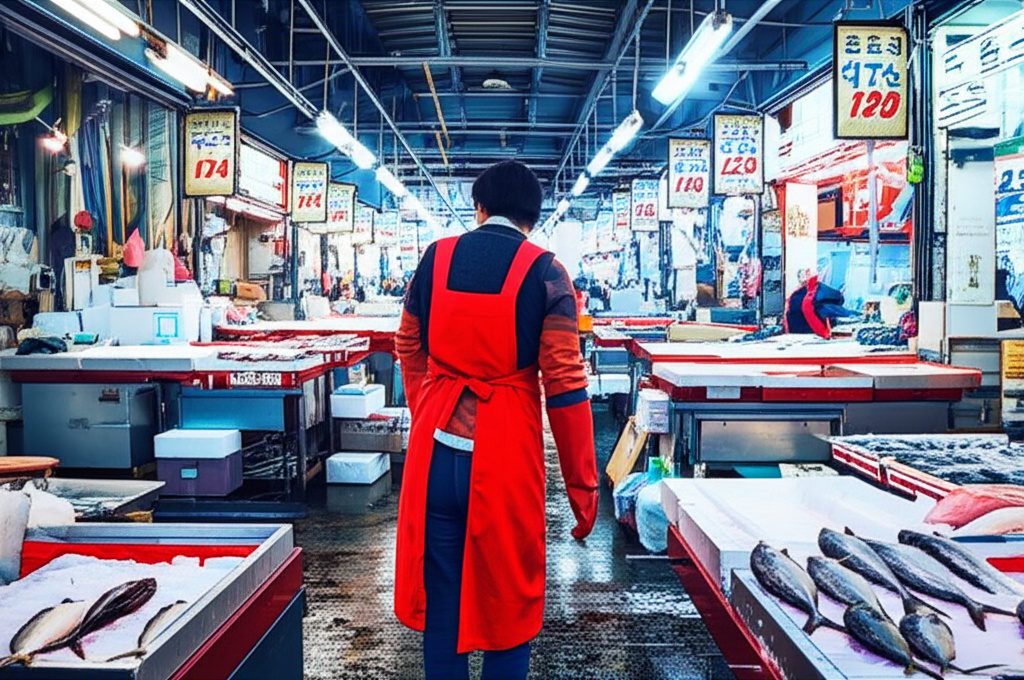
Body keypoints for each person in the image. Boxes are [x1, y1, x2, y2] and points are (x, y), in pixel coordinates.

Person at [394, 161, 598, 680]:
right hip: (505, 458)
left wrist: (429, 405)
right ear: (533, 217)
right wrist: (583, 487)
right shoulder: (548, 273)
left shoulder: (435, 259)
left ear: (478, 209)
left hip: (434, 456)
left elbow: (407, 345)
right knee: (509, 605)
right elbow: (565, 384)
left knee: (443, 605)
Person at [783, 274, 855, 339]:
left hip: (795, 338)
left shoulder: (795, 296)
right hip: (813, 340)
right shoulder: (819, 299)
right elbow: (847, 314)